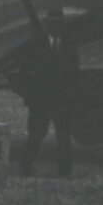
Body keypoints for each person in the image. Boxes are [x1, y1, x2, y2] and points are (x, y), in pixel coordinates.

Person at [16, 13, 77, 178]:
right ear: (46, 25)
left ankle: (65, 171)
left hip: (62, 99)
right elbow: (23, 73)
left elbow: (74, 73)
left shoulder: (70, 45)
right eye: (52, 23)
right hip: (40, 99)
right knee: (36, 134)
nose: (56, 27)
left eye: (59, 23)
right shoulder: (35, 45)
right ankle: (25, 168)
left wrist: (71, 95)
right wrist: (29, 97)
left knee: (63, 136)